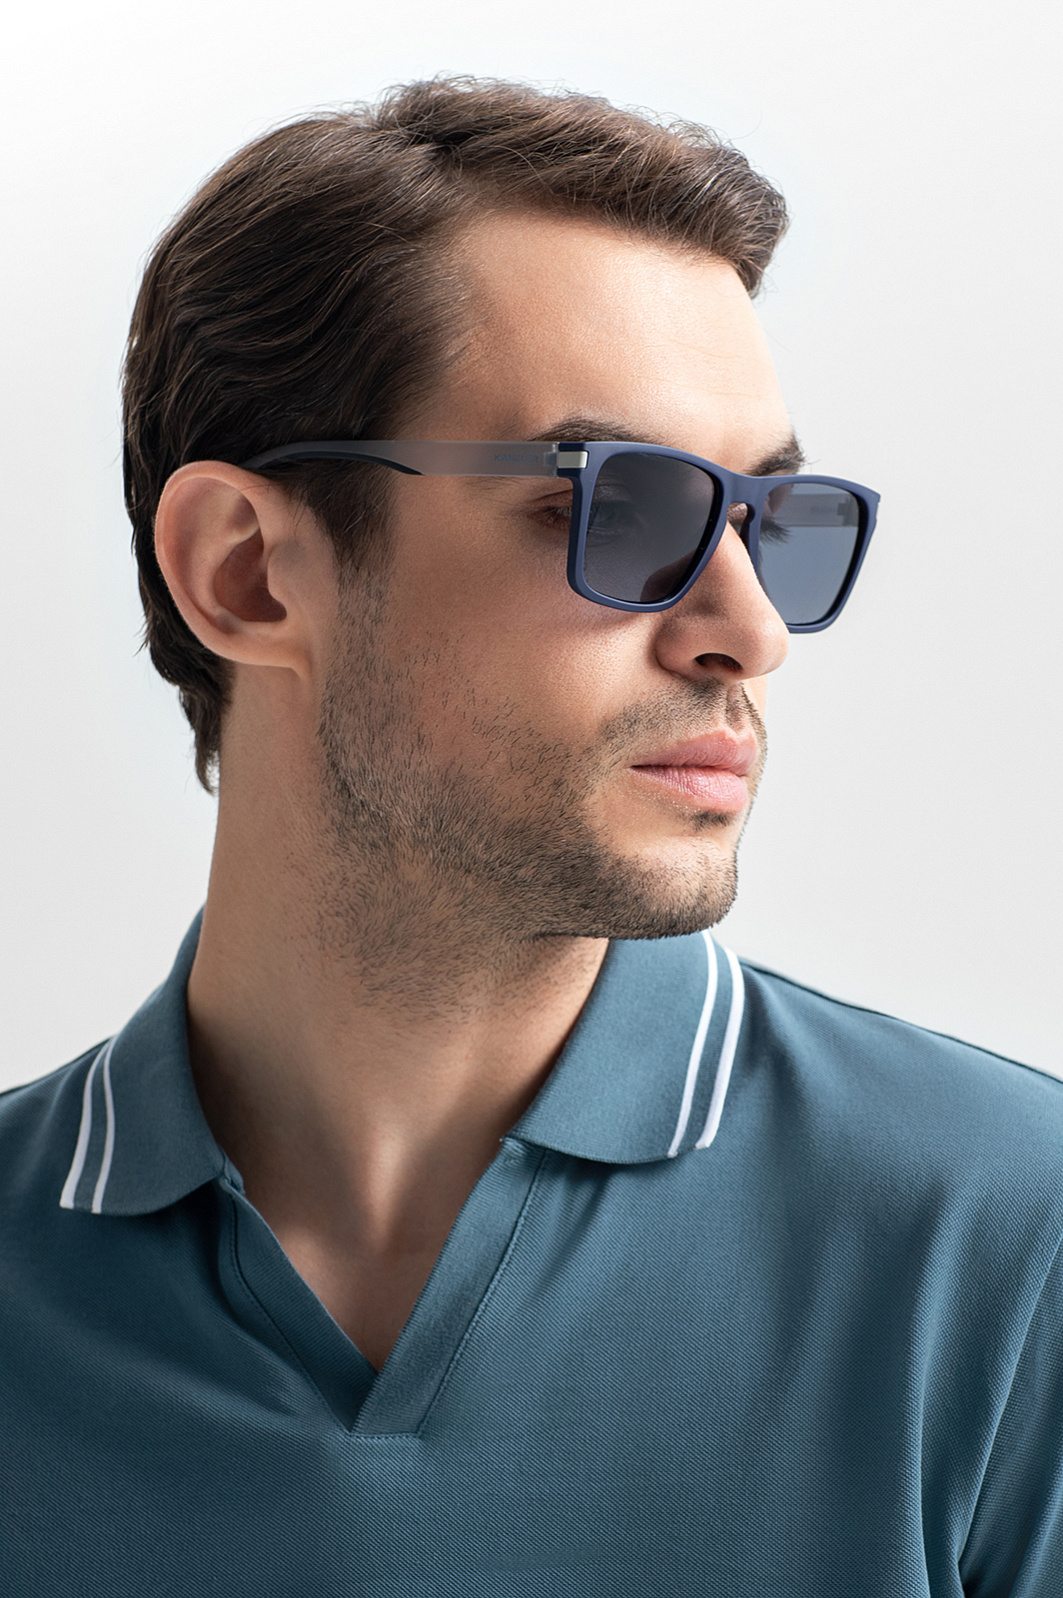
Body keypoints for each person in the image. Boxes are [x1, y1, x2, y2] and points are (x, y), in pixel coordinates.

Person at [3, 77, 1061, 1597]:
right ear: (245, 574)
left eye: (769, 521)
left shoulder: (1013, 1247)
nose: (749, 630)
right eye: (623, 510)